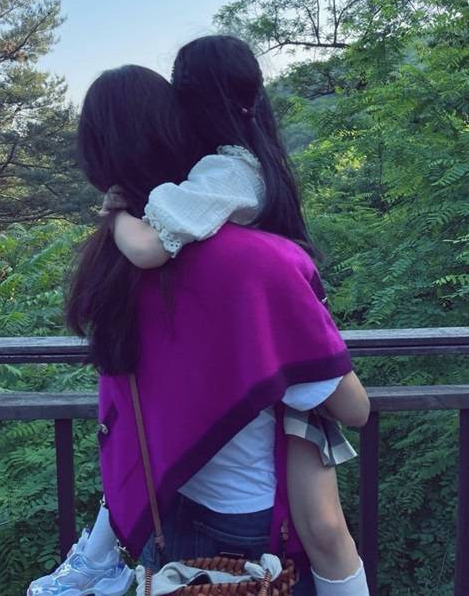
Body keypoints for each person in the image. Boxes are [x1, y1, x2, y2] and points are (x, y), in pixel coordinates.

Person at [101, 37, 369, 595]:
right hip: (247, 521)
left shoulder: (114, 265)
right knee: (329, 534)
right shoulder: (258, 253)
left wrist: (117, 212)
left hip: (165, 505)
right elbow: (355, 408)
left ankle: (94, 552)